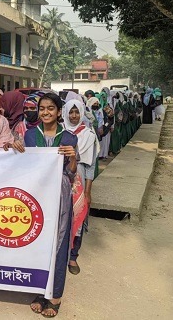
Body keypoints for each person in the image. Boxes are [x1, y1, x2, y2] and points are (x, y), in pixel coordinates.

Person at [25, 93, 77, 318]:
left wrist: (73, 158)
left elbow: (71, 173)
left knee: (58, 242)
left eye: (50, 108)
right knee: (38, 241)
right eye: (42, 108)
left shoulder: (69, 138)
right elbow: (24, 164)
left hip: (59, 195)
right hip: (37, 194)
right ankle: (40, 290)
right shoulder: (29, 135)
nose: (45, 112)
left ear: (58, 111)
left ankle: (54, 296)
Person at [62, 99, 97, 277]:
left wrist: (88, 192)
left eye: (77, 112)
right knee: (61, 215)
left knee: (78, 216)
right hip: (61, 176)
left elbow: (91, 166)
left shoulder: (89, 135)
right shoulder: (59, 131)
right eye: (71, 112)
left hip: (80, 178)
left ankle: (73, 256)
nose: (74, 116)